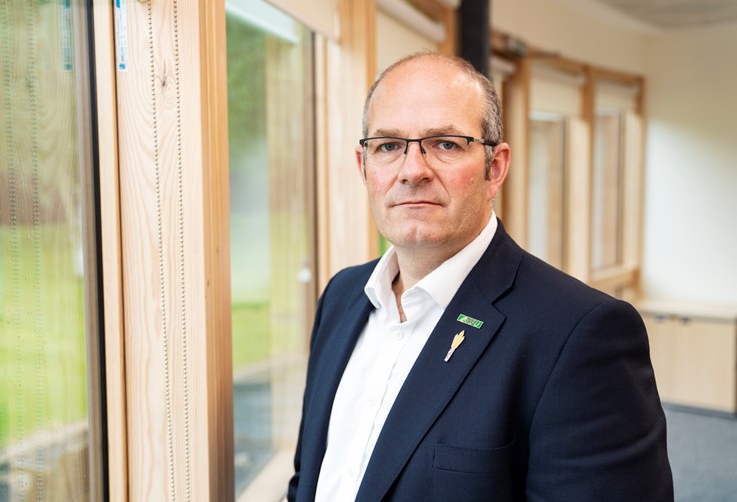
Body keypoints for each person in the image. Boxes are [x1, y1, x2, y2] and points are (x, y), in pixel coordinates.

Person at [287, 52, 673, 502]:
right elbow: (311, 481)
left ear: (495, 168)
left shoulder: (580, 333)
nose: (412, 171)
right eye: (389, 146)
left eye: (446, 143)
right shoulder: (341, 297)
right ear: (363, 166)